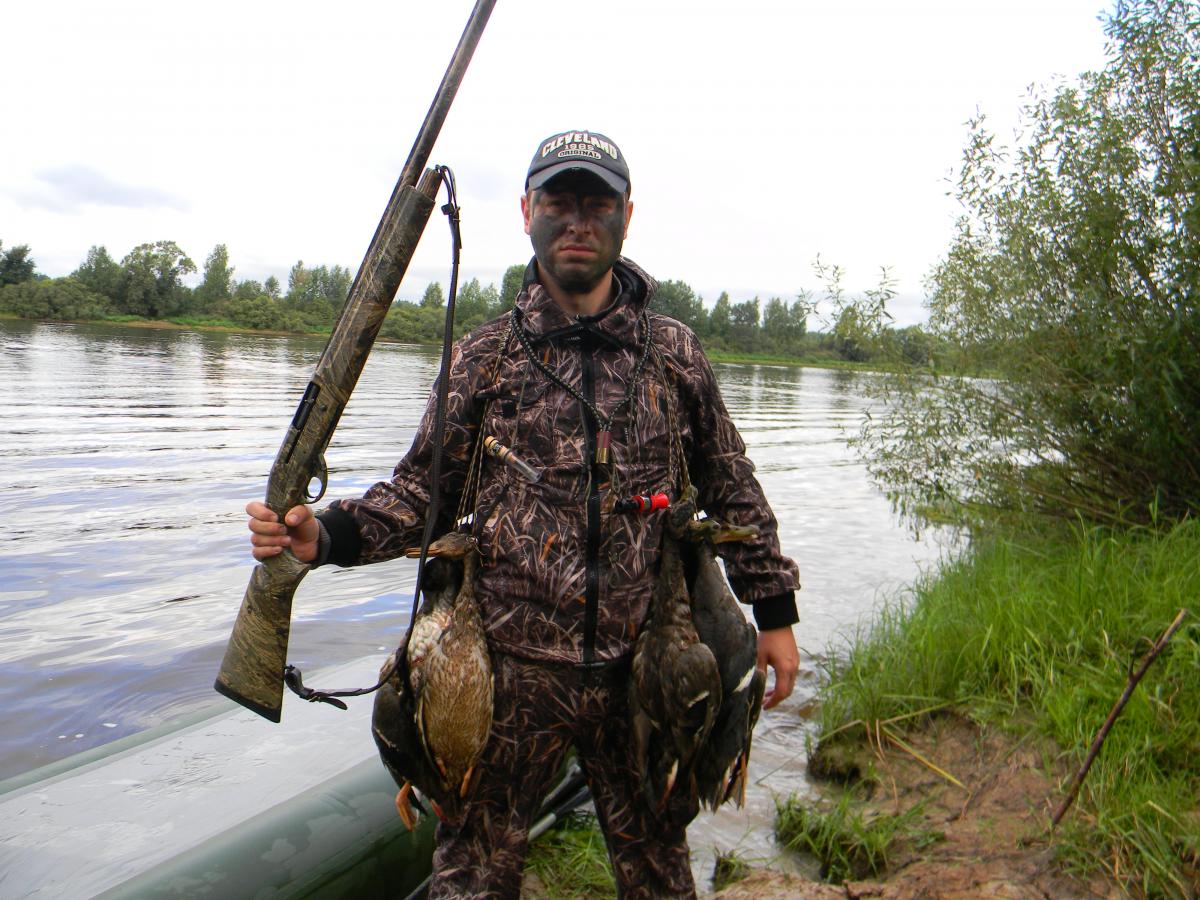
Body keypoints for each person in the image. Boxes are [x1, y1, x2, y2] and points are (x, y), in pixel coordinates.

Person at [247, 129, 801, 898]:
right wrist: (325, 535)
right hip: (505, 674)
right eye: (559, 202)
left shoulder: (673, 353)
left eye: (597, 204)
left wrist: (774, 612)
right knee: (472, 877)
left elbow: (732, 485)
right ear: (526, 211)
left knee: (658, 874)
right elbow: (421, 494)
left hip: (644, 671)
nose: (577, 221)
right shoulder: (486, 356)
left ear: (626, 217)